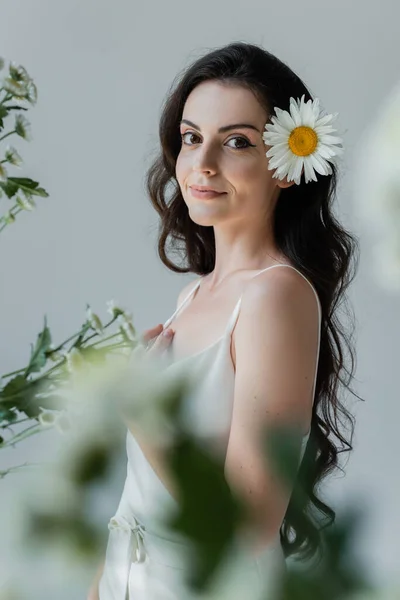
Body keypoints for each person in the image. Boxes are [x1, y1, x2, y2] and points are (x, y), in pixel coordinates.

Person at [89, 41, 360, 600]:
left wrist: (144, 412)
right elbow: (138, 498)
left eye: (236, 141)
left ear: (287, 166)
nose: (203, 163)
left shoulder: (276, 296)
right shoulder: (194, 296)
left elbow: (249, 525)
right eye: (192, 138)